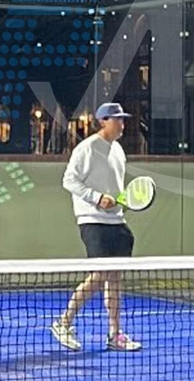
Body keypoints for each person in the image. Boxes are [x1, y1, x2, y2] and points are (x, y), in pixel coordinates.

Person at [51, 102, 141, 352]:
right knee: (99, 274)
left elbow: (115, 188)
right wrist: (96, 197)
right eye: (117, 119)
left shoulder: (118, 150)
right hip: (92, 219)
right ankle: (63, 322)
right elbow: (69, 180)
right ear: (103, 121)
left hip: (117, 221)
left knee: (115, 278)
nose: (122, 124)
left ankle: (115, 334)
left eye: (123, 119)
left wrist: (119, 202)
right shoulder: (87, 148)